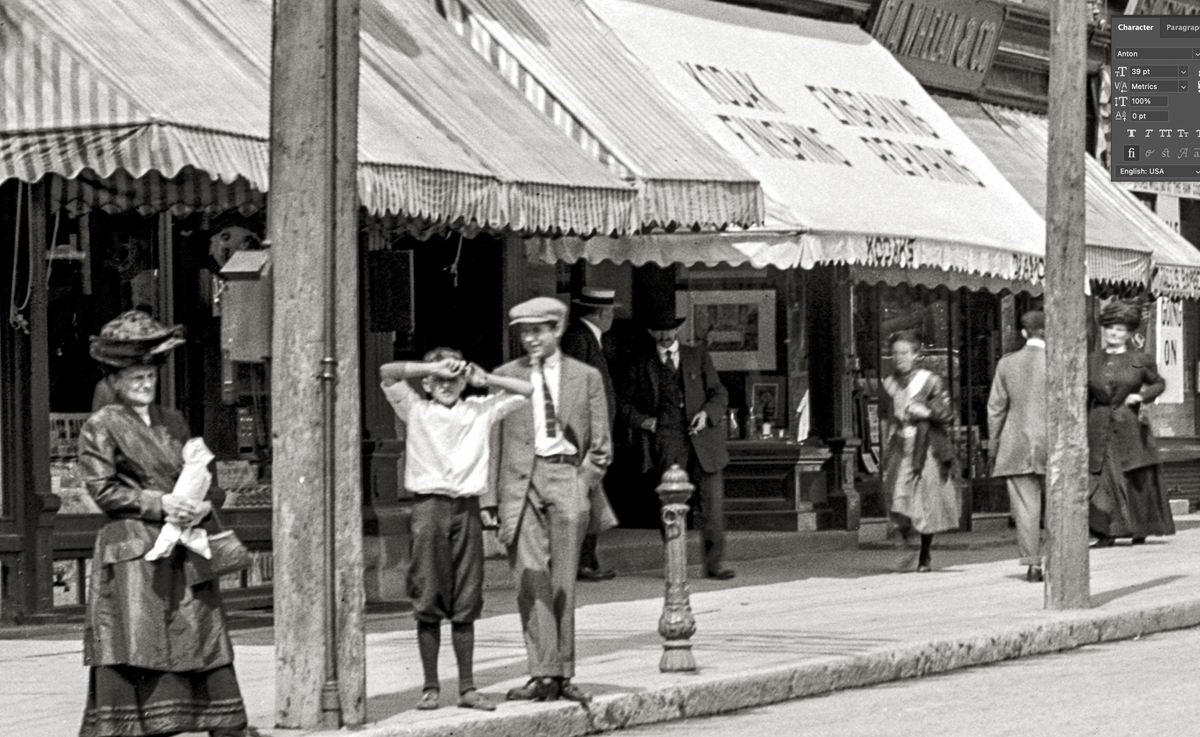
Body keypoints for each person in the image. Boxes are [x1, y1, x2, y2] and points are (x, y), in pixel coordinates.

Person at [77, 310, 249, 737]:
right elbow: (103, 491)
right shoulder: (101, 426)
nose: (144, 383)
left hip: (185, 548)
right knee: (138, 643)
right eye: (135, 376)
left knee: (201, 637)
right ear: (115, 381)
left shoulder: (174, 421)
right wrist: (161, 503)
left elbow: (203, 478)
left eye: (149, 375)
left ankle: (219, 723)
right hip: (135, 551)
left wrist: (202, 506)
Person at [380, 348, 531, 712]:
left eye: (454, 379)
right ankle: (430, 686)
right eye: (439, 380)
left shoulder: (479, 410)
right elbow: (386, 372)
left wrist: (486, 378)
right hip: (428, 508)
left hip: (466, 510)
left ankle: (467, 687)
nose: (447, 386)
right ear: (428, 383)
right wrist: (431, 366)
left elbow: (527, 390)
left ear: (464, 382)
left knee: (467, 595)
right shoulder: (415, 409)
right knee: (428, 592)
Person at [491, 296, 612, 704]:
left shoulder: (586, 377)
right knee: (529, 577)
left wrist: (583, 483)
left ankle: (563, 672)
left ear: (557, 330)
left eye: (537, 331)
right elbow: (493, 441)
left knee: (563, 581)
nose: (530, 339)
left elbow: (601, 445)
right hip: (520, 482)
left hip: (567, 476)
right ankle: (541, 673)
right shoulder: (504, 375)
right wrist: (492, 501)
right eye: (524, 332)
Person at [623, 306, 735, 580]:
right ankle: (675, 563)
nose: (665, 334)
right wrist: (644, 421)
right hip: (667, 440)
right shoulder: (640, 363)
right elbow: (623, 404)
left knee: (712, 505)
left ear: (678, 329)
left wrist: (707, 414)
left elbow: (719, 393)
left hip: (703, 440)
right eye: (658, 330)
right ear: (651, 332)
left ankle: (715, 564)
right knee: (670, 505)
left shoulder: (697, 356)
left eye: (669, 329)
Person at [1088, 300, 1175, 547]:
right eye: (1109, 328)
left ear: (1128, 333)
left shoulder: (1136, 359)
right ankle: (1106, 531)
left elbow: (1157, 383)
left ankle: (1139, 527)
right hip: (1099, 426)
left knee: (1131, 476)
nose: (1114, 333)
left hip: (1130, 426)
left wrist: (1141, 396)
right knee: (1103, 478)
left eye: (1120, 329)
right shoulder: (1092, 360)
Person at [880, 330, 961, 573]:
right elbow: (885, 418)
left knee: (925, 501)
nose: (899, 358)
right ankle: (905, 541)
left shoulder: (930, 381)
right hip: (899, 445)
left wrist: (926, 412)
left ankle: (925, 553)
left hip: (926, 447)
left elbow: (948, 415)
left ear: (916, 354)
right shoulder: (889, 383)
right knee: (896, 498)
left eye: (904, 353)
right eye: (895, 353)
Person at [560, 287, 620, 582]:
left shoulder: (588, 338)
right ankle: (581, 562)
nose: (612, 317)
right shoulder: (578, 339)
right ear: (602, 313)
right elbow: (573, 392)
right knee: (585, 499)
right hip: (584, 438)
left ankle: (588, 559)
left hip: (593, 437)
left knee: (591, 500)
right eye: (610, 311)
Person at [987, 311, 1048, 583]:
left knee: (1025, 508)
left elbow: (996, 409)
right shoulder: (1060, 361)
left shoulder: (1007, 364)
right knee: (1058, 505)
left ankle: (1033, 564)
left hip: (1016, 444)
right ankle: (1059, 559)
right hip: (1054, 443)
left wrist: (993, 445)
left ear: (1024, 333)